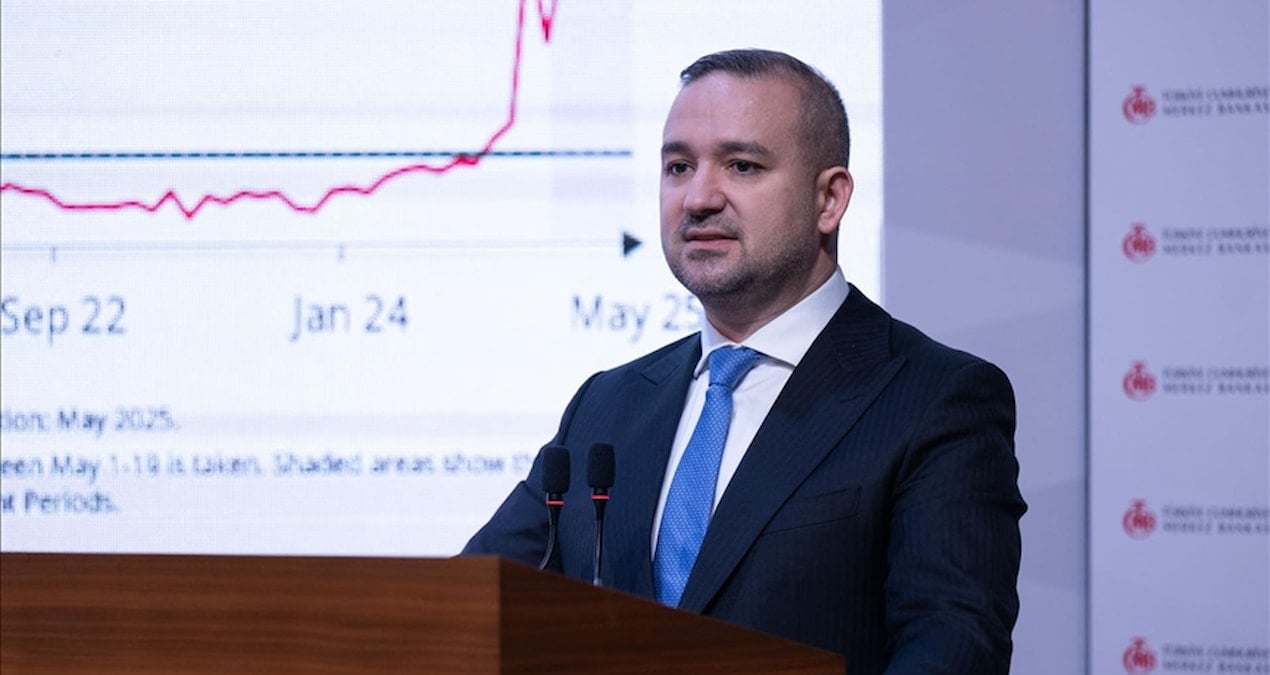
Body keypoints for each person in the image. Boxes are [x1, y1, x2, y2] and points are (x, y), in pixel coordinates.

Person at [464, 48, 1025, 674]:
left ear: (829, 199)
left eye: (742, 166)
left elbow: (953, 649)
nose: (698, 198)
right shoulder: (608, 405)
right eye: (679, 167)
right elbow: (463, 610)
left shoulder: (935, 399)